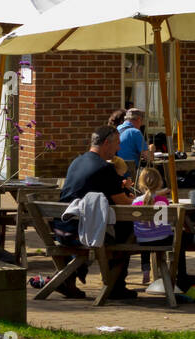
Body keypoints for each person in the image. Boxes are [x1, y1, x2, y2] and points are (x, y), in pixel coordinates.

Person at [57, 126, 137, 300]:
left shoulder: (77, 162)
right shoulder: (105, 168)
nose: (119, 148)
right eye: (117, 143)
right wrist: (143, 200)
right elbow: (122, 202)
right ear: (106, 143)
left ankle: (66, 281)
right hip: (83, 232)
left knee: (120, 229)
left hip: (60, 229)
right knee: (128, 233)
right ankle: (115, 286)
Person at [132, 166, 173, 286]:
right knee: (176, 237)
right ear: (160, 183)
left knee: (146, 237)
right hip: (163, 240)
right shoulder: (163, 200)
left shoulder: (135, 202)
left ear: (140, 184)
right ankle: (172, 272)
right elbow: (163, 223)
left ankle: (145, 270)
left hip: (142, 240)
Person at [115, 108, 151, 182]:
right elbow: (148, 158)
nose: (141, 124)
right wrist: (151, 148)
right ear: (138, 119)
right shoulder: (135, 132)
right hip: (131, 176)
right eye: (141, 121)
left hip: (116, 174)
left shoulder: (117, 129)